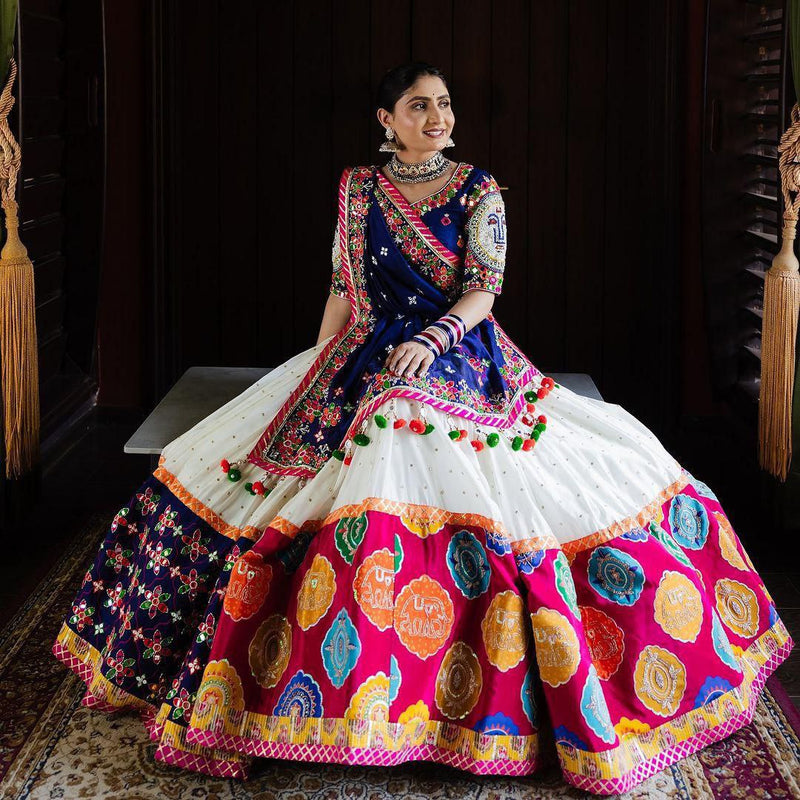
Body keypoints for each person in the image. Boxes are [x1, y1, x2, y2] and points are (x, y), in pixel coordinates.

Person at [52, 61, 793, 795]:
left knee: (420, 442)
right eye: (418, 106)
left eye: (443, 105)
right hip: (363, 346)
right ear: (387, 121)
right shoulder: (356, 188)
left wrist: (430, 342)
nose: (437, 118)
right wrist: (316, 368)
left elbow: (482, 291)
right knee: (244, 463)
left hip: (457, 352)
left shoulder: (479, 189)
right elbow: (345, 286)